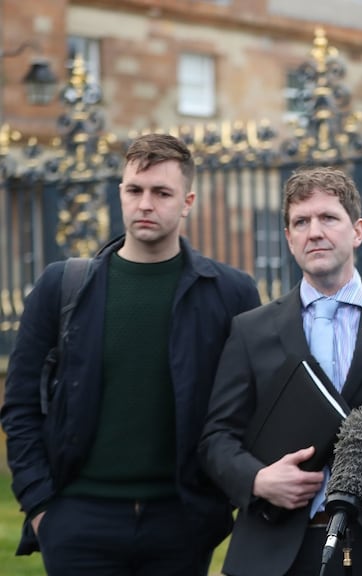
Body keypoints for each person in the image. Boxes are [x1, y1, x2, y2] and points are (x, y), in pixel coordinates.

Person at [0, 133, 262, 575]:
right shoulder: (61, 286)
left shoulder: (230, 292)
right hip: (78, 519)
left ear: (187, 201)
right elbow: (21, 405)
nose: (145, 204)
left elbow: (250, 406)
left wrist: (220, 503)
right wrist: (42, 506)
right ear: (119, 193)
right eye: (134, 190)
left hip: (181, 523)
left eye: (162, 193)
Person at [199, 167, 362, 576]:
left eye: (328, 218)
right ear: (289, 237)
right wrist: (258, 480)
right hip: (275, 550)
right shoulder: (251, 330)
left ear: (358, 230)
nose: (314, 232)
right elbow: (216, 439)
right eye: (301, 222)